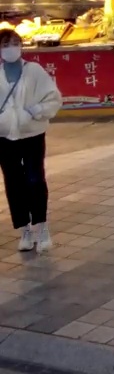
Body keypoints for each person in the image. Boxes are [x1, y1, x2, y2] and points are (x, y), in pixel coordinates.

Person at [0, 30, 60, 253]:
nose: (11, 47)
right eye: (6, 43)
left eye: (15, 43)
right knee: (13, 182)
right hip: (5, 137)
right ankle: (24, 230)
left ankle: (41, 227)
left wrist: (35, 111)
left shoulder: (33, 71)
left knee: (35, 179)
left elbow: (54, 98)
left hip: (32, 134)